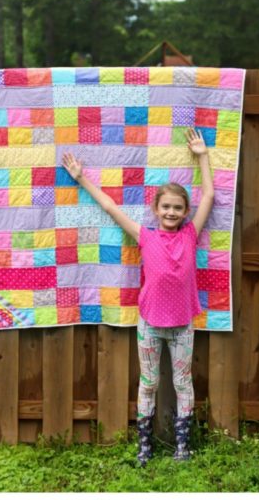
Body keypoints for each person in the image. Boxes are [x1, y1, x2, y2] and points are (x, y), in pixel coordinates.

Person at [62, 128, 214, 467]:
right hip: (149, 324)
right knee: (149, 383)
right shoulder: (144, 236)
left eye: (178, 208)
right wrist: (81, 178)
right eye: (166, 207)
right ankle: (144, 446)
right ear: (156, 209)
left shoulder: (191, 234)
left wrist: (202, 157)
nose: (172, 212)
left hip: (182, 326)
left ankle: (182, 447)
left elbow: (208, 197)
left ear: (185, 212)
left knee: (182, 383)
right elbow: (109, 206)